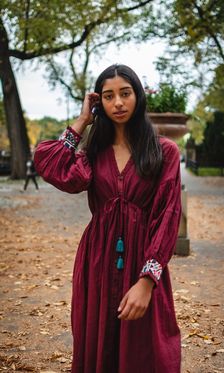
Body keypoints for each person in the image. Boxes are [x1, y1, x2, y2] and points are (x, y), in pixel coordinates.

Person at [34, 64, 182, 373]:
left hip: (143, 261)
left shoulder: (163, 151)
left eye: (125, 94)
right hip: (97, 263)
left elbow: (168, 215)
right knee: (98, 347)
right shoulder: (92, 152)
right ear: (99, 102)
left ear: (137, 96)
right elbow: (50, 164)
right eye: (108, 96)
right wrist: (82, 121)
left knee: (147, 350)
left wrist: (147, 279)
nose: (117, 103)